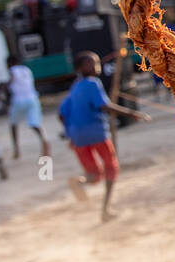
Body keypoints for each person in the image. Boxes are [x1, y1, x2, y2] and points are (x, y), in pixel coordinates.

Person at [58, 51, 150, 221]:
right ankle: (105, 210)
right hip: (97, 133)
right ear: (80, 68)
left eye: (97, 63)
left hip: (78, 137)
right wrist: (132, 113)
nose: (96, 66)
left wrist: (70, 133)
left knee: (94, 175)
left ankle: (79, 181)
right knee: (111, 168)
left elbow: (62, 113)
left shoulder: (75, 87)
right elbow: (105, 106)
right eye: (91, 63)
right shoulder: (93, 83)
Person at [7, 59, 51, 160]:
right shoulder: (27, 69)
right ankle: (44, 140)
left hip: (19, 100)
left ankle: (16, 149)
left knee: (13, 124)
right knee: (35, 123)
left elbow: (10, 82)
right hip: (32, 98)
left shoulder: (12, 70)